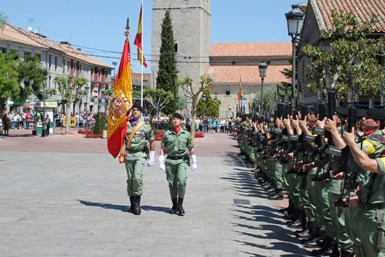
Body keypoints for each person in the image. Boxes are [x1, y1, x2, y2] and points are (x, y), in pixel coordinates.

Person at [119, 102, 155, 215]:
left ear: (141, 112)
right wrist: (121, 153)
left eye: (137, 110)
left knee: (137, 178)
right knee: (130, 179)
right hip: (129, 154)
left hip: (140, 154)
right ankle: (132, 204)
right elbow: (121, 139)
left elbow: (151, 141)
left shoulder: (146, 125)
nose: (135, 112)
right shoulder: (126, 124)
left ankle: (137, 204)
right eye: (133, 110)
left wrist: (152, 157)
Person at [159, 112, 197, 216]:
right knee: (172, 184)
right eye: (173, 119)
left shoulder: (186, 134)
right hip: (170, 161)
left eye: (177, 119)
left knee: (182, 181)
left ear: (181, 121)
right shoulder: (167, 134)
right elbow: (162, 148)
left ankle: (180, 205)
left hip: (182, 161)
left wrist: (194, 161)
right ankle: (174, 205)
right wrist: (161, 160)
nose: (175, 120)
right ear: (171, 121)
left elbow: (191, 147)